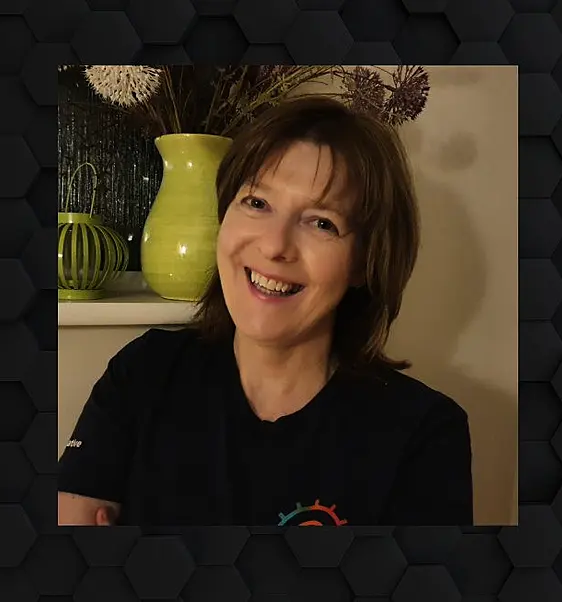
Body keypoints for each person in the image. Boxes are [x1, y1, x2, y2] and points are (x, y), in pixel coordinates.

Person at [58, 97, 473, 526]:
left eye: (322, 222)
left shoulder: (424, 434)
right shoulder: (143, 373)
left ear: (364, 263)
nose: (275, 245)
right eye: (257, 203)